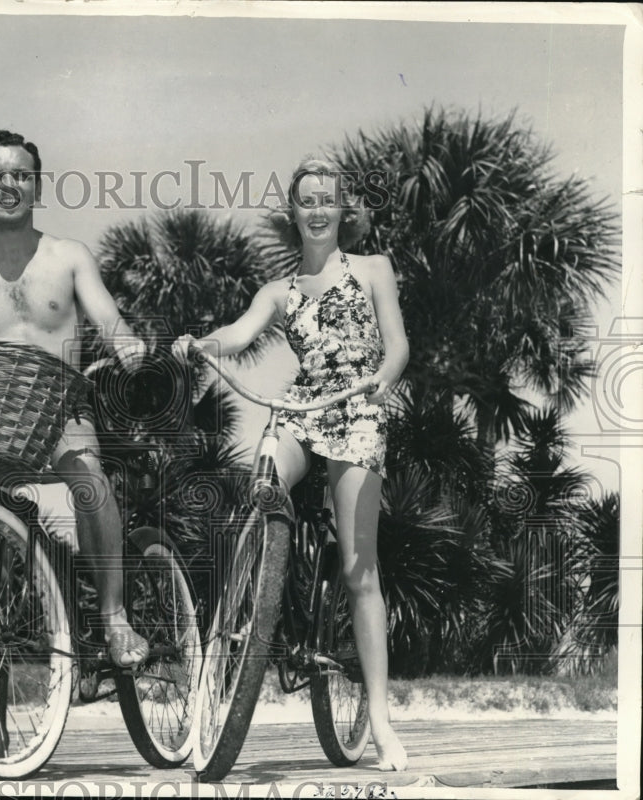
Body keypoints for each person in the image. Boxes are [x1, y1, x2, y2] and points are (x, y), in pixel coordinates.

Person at [175, 157, 410, 771]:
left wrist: (385, 378)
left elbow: (398, 344)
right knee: (265, 479)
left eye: (327, 199)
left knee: (362, 572)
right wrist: (202, 344)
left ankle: (381, 724)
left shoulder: (372, 268)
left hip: (358, 406)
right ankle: (259, 576)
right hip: (305, 407)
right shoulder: (279, 292)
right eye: (306, 200)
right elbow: (238, 330)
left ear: (342, 209)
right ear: (294, 211)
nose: (317, 209)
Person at [0, 129, 150, 672]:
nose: (9, 184)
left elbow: (108, 318)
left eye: (19, 174)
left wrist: (129, 347)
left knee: (90, 480)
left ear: (36, 184)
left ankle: (113, 618)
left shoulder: (68, 257)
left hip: (61, 408)